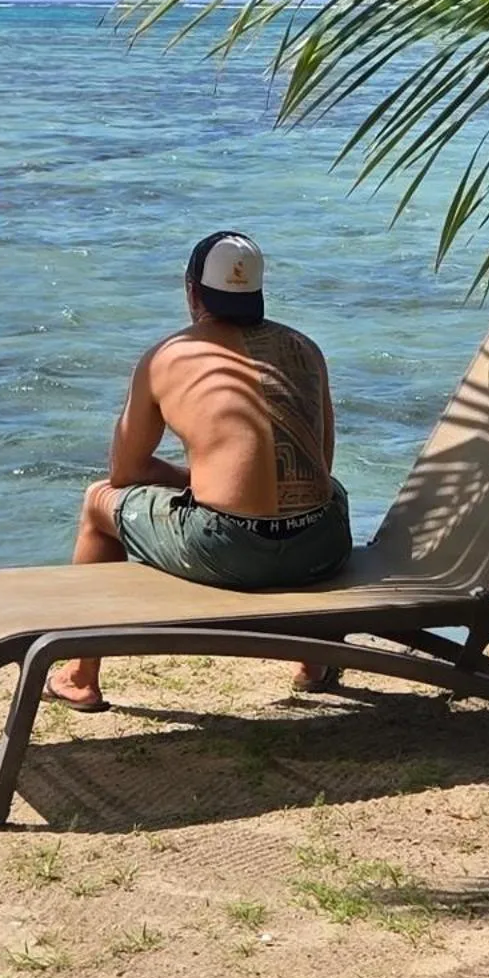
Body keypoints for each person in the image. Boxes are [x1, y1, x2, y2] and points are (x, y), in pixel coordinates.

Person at [47, 231, 350, 711]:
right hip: (322, 545)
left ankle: (81, 674)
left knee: (96, 501)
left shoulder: (167, 356)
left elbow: (125, 472)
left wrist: (199, 481)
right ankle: (314, 661)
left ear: (192, 291)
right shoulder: (306, 349)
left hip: (228, 548)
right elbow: (322, 465)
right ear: (257, 292)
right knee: (325, 491)